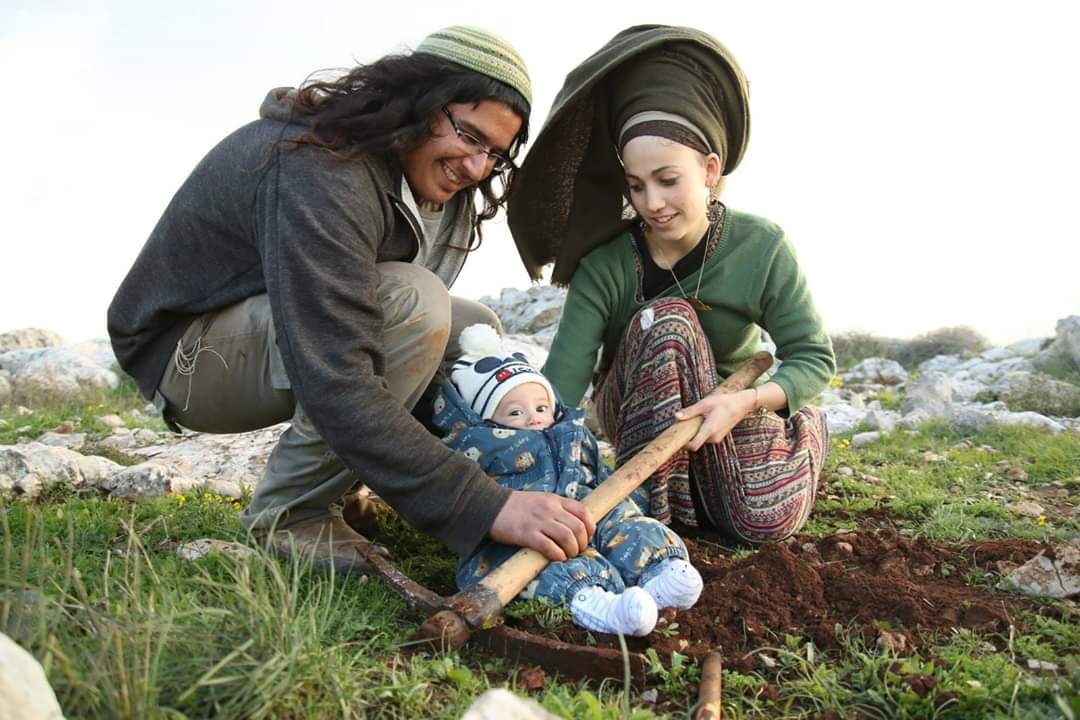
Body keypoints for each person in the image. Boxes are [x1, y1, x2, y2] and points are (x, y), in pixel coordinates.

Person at [107, 26, 596, 572]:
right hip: (185, 358)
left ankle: (354, 483)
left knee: (471, 329)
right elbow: (339, 373)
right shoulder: (320, 168)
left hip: (276, 334)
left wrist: (492, 482)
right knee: (415, 304)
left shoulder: (430, 182)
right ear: (419, 102)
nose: (477, 167)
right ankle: (290, 514)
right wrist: (480, 506)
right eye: (469, 136)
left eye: (494, 155)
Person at [507, 25, 835, 544]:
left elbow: (813, 357)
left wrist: (744, 403)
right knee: (667, 321)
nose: (652, 204)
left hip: (728, 407)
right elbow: (563, 386)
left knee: (762, 521)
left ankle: (797, 435)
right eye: (636, 187)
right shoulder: (605, 265)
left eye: (667, 180)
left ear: (709, 170)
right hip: (637, 413)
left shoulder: (762, 246)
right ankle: (654, 508)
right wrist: (523, 472)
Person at [434, 324, 704, 636]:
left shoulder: (570, 431)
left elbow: (601, 472)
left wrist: (632, 505)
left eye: (541, 407)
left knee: (630, 527)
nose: (534, 417)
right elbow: (463, 495)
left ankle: (660, 574)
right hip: (530, 525)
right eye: (515, 413)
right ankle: (598, 604)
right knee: (551, 561)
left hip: (591, 507)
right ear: (485, 420)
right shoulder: (478, 448)